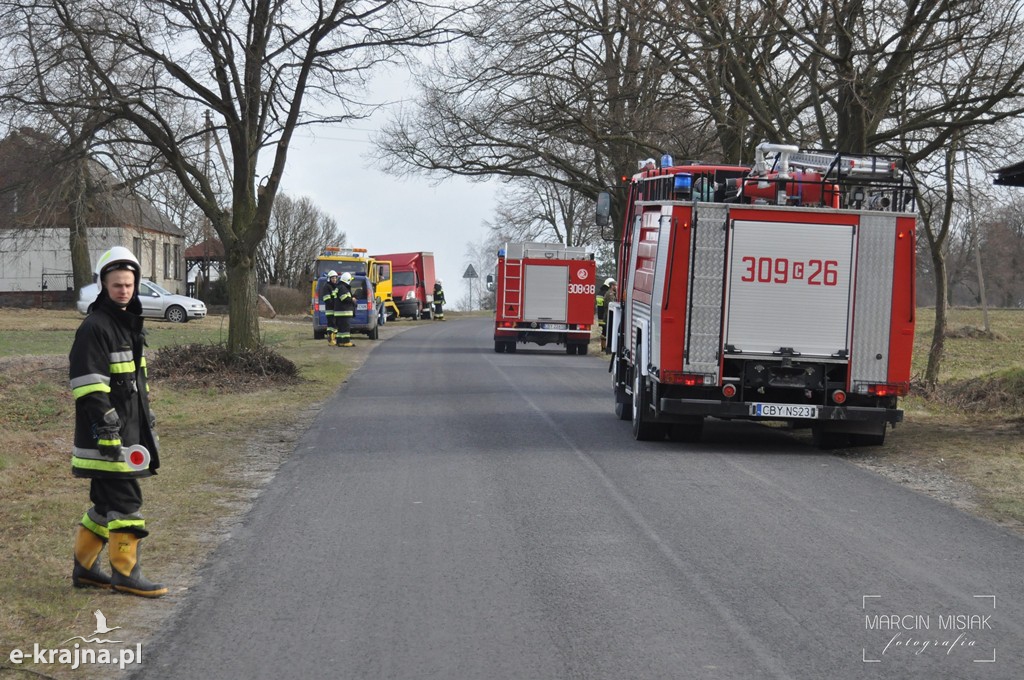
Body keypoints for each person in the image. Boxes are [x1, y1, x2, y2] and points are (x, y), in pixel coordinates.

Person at [69, 246, 167, 598]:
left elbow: (134, 383)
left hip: (126, 431)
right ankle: (125, 574)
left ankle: (85, 569)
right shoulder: (95, 327)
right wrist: (108, 430)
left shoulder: (128, 324)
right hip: (108, 438)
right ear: (103, 286)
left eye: (128, 284)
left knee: (104, 505)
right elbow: (89, 387)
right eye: (117, 285)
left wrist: (146, 415)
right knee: (126, 504)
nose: (124, 290)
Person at [332, 271, 356, 347]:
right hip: (344, 312)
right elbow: (344, 298)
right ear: (347, 280)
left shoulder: (340, 287)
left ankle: (340, 341)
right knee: (345, 328)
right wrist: (352, 299)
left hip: (340, 312)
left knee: (341, 329)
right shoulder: (343, 288)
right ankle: (345, 342)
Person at [321, 270, 339, 345]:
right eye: (332, 278)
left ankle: (332, 339)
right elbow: (327, 299)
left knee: (334, 325)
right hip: (330, 309)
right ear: (329, 278)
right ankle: (331, 339)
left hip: (335, 309)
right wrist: (333, 304)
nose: (334, 279)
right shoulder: (327, 286)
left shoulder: (336, 286)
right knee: (332, 325)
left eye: (335, 278)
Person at [597, 277, 614, 351]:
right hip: (605, 315)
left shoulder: (600, 292)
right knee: (606, 331)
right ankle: (605, 347)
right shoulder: (606, 293)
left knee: (604, 331)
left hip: (601, 315)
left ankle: (603, 347)